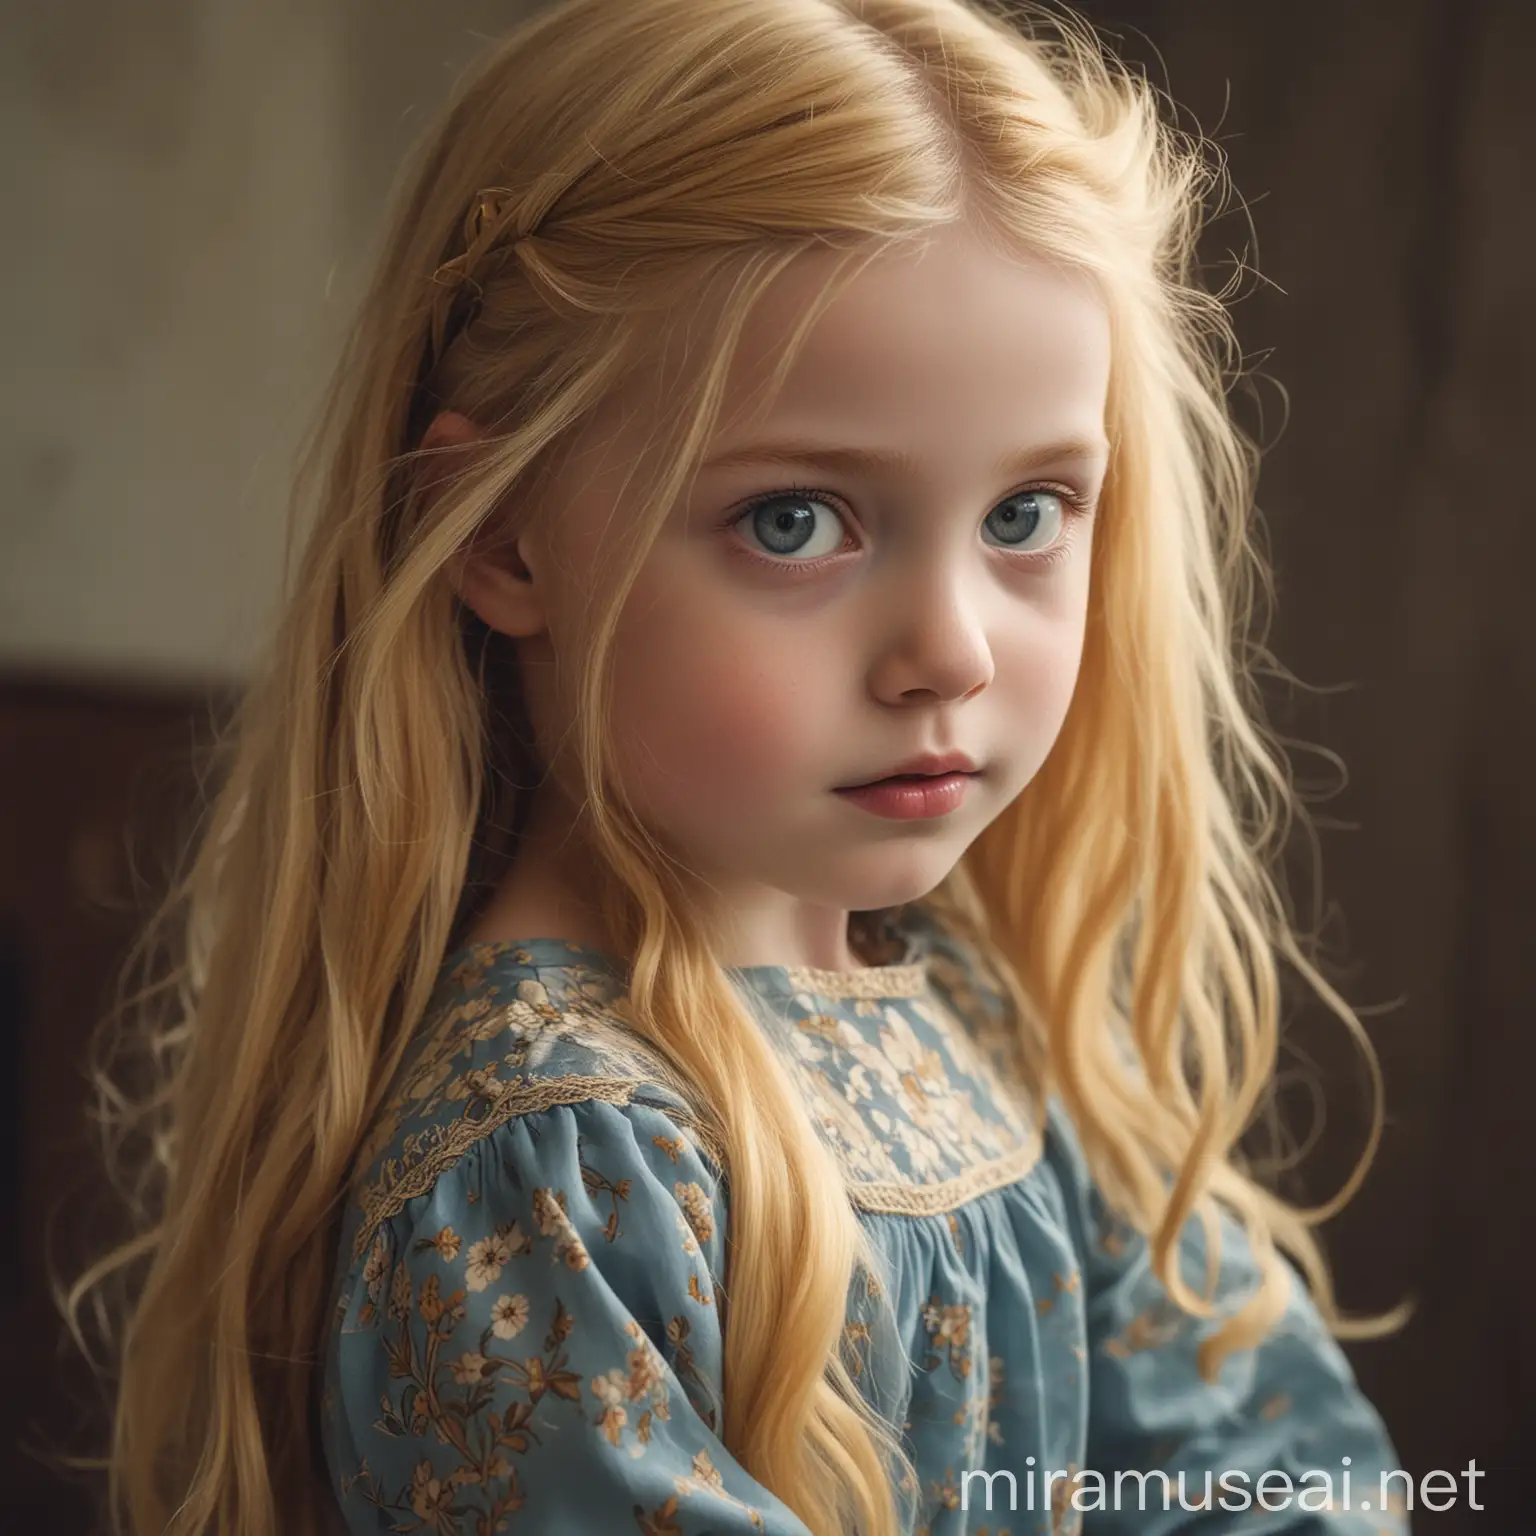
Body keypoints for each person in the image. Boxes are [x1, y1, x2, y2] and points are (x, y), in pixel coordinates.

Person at [66, 0, 1414, 1532]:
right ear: (505, 534)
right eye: (796, 522)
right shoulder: (555, 1166)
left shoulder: (978, 1015)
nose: (952, 651)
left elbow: (1294, 1470)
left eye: (1028, 515)